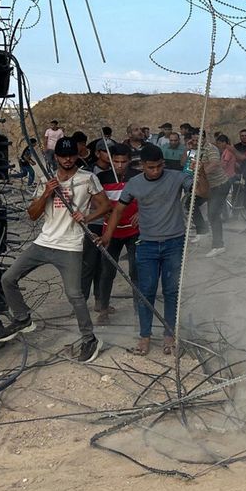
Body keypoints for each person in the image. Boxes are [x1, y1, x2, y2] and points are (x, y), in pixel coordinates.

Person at [0, 137, 111, 363]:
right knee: (8, 278)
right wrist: (47, 192)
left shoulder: (87, 178)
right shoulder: (46, 181)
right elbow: (32, 214)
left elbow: (106, 205)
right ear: (56, 157)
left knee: (74, 295)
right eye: (63, 155)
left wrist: (87, 217)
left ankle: (89, 339)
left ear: (78, 156)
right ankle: (22, 318)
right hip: (44, 242)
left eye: (72, 155)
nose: (68, 159)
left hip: (70, 245)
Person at [100, 143, 189, 356]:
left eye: (159, 166)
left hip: (174, 243)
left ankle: (169, 335)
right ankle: (145, 336)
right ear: (142, 166)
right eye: (151, 167)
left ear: (163, 164)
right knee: (145, 292)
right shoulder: (134, 184)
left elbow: (202, 192)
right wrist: (107, 237)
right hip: (147, 245)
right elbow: (118, 211)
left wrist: (200, 171)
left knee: (171, 291)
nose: (156, 171)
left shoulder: (177, 177)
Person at [84, 144, 139, 323]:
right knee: (107, 271)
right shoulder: (101, 177)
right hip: (111, 231)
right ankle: (104, 308)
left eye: (124, 161)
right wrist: (103, 209)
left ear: (130, 160)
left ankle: (140, 309)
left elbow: (147, 198)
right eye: (116, 161)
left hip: (134, 231)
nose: (120, 165)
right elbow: (94, 200)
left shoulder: (137, 177)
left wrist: (141, 213)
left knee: (135, 271)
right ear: (111, 160)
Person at [193, 135, 231, 255]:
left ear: (204, 139)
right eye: (193, 140)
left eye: (198, 139)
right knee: (191, 203)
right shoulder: (194, 150)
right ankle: (203, 231)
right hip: (206, 186)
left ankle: (218, 245)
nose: (196, 142)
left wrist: (201, 174)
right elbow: (187, 166)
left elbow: (214, 163)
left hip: (219, 185)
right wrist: (188, 150)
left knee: (213, 213)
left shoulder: (211, 148)